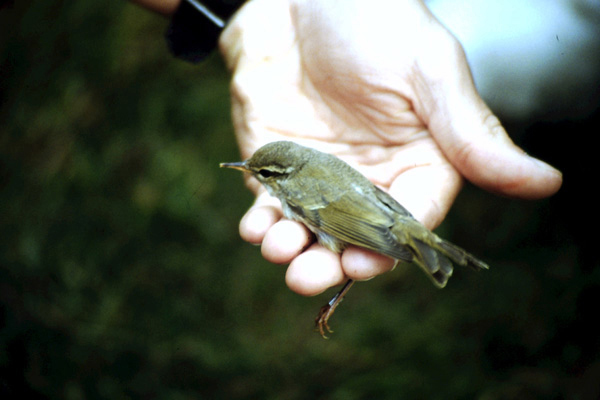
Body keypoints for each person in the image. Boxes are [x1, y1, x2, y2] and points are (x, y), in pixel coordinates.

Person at [132, 0, 563, 296]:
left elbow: (342, 219)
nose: (252, 173)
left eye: (263, 174)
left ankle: (426, 249)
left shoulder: (297, 190)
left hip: (370, 220)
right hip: (385, 209)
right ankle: (431, 247)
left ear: (281, 177)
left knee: (338, 259)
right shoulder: (309, 167)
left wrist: (387, 236)